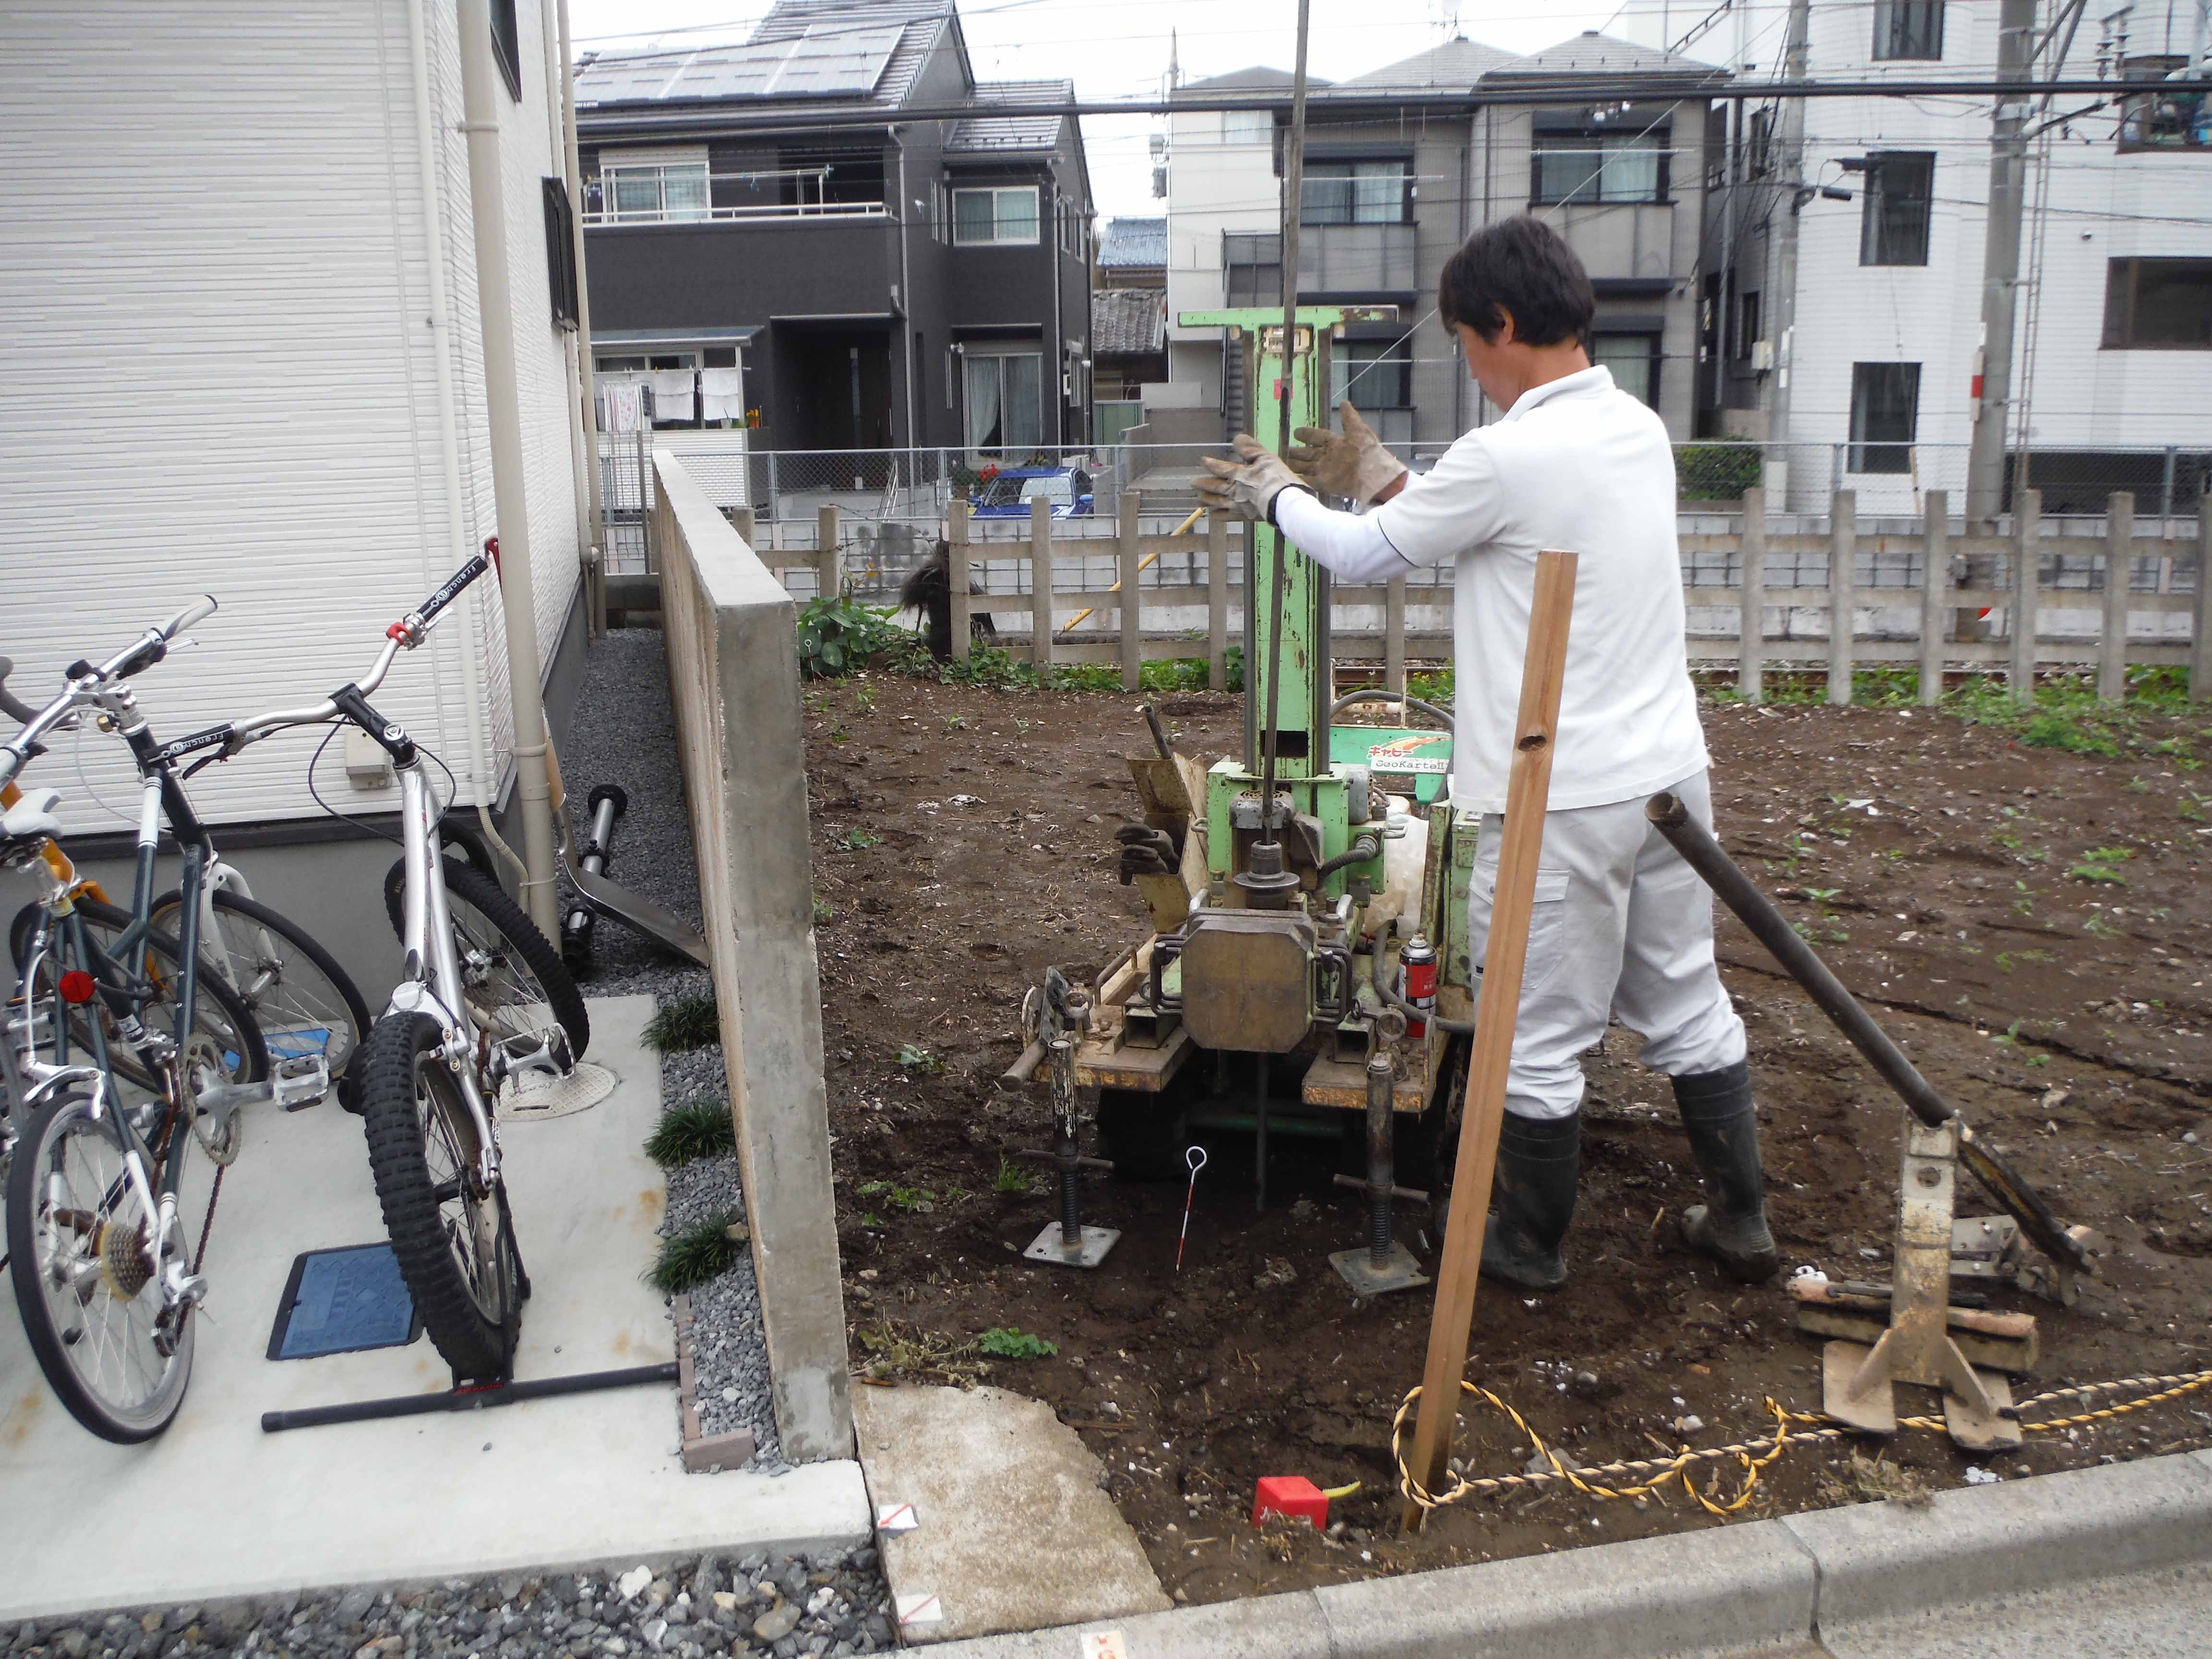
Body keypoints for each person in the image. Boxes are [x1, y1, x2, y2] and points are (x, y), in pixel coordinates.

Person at [1191, 214, 1778, 1289]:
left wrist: (1278, 497)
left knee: (1534, 1033)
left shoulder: (1508, 455)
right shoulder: (1636, 428)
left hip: (1558, 792)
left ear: (1503, 325)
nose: (1466, 358)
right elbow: (1483, 522)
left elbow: (1369, 559)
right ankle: (1742, 1219)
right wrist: (1381, 473)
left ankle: (1524, 1246)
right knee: (1687, 998)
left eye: (1466, 337)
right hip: (1666, 782)